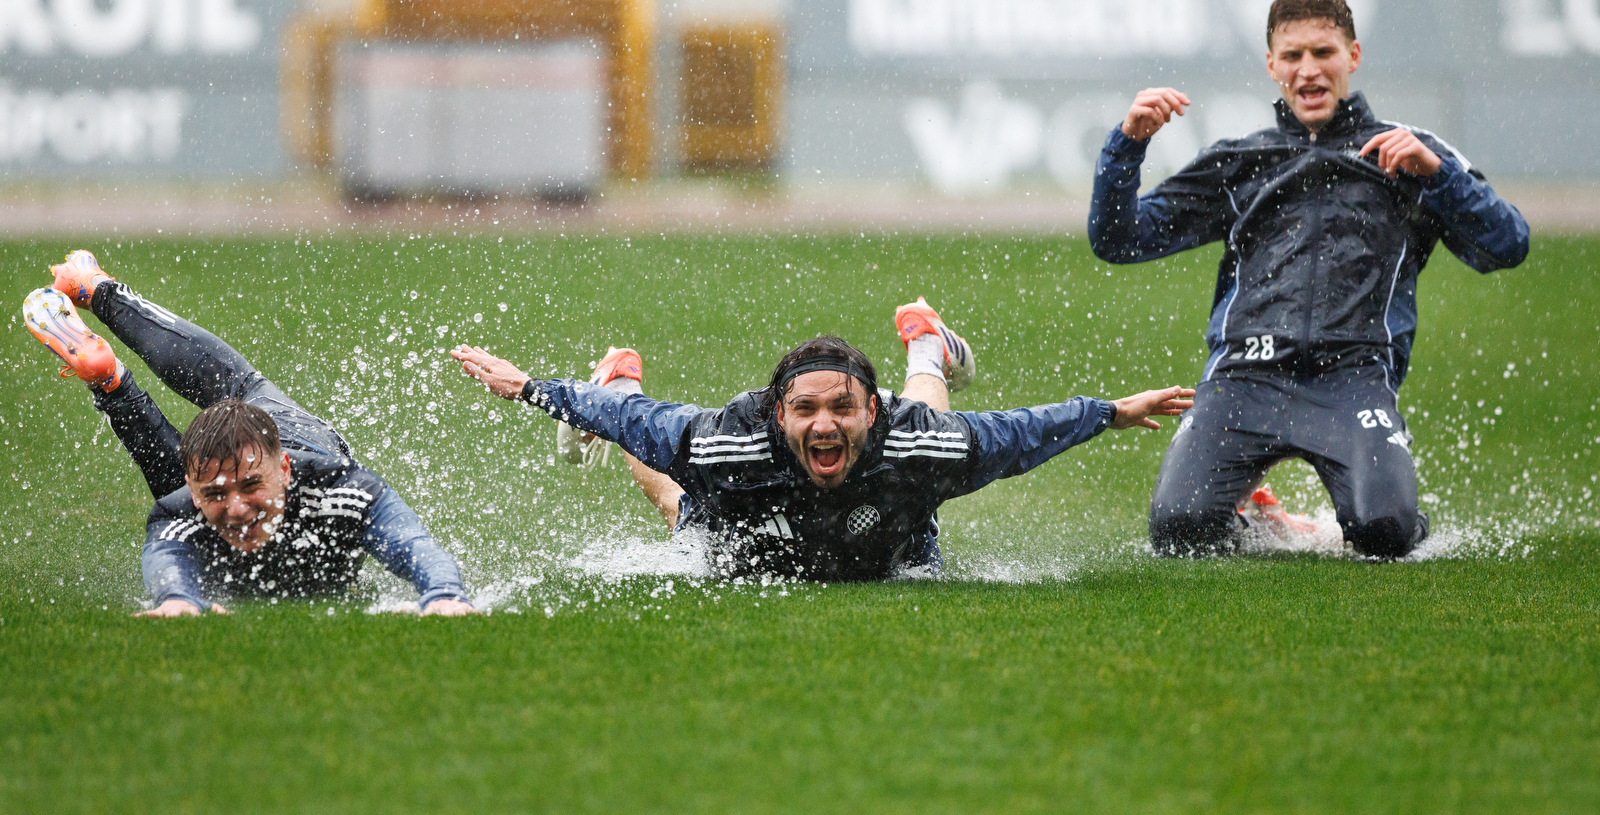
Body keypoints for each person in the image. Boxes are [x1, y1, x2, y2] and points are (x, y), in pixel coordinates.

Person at [1088, 0, 1530, 558]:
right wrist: (1127, 146)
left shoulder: (1409, 153)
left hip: (1352, 376)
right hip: (1245, 376)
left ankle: (1381, 494)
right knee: (1179, 531)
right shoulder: (1241, 159)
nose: (1308, 70)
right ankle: (1258, 518)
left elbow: (1507, 244)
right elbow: (1119, 241)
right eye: (1292, 56)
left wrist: (1440, 176)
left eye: (1323, 52)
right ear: (1272, 65)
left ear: (1353, 55)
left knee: (1384, 536)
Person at [450, 297, 1193, 580]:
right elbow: (647, 432)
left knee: (933, 443)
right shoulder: (731, 441)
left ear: (872, 409)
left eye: (844, 408)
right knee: (680, 499)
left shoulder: (908, 436)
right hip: (747, 525)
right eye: (806, 410)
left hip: (895, 542)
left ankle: (926, 347)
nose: (825, 424)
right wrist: (536, 391)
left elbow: (1021, 433)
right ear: (780, 416)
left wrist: (1112, 412)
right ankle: (617, 378)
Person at [22, 250, 476, 616]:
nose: (237, 509)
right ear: (196, 498)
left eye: (252, 486)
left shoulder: (342, 486)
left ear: (284, 469)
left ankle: (109, 367)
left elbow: (413, 546)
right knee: (192, 463)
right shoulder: (179, 506)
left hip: (294, 434)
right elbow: (169, 558)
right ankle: (101, 312)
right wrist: (178, 600)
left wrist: (442, 595)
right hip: (225, 465)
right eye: (215, 495)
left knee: (241, 394)